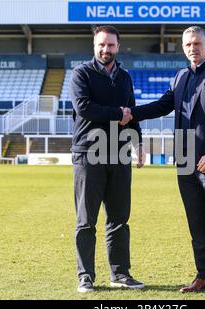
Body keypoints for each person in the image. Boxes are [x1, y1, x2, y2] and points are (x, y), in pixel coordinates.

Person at [127, 26, 205, 297]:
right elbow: (161, 105)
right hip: (185, 160)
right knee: (196, 221)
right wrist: (130, 113)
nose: (193, 48)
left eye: (197, 43)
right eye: (188, 44)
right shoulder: (179, 77)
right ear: (183, 47)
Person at [69, 25, 145, 293]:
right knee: (86, 220)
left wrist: (138, 144)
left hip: (120, 154)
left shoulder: (124, 77)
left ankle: (120, 274)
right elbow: (84, 108)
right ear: (94, 46)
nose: (106, 49)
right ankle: (85, 276)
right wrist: (118, 113)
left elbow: (132, 112)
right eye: (101, 44)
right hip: (88, 153)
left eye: (110, 45)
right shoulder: (81, 73)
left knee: (119, 219)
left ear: (118, 47)